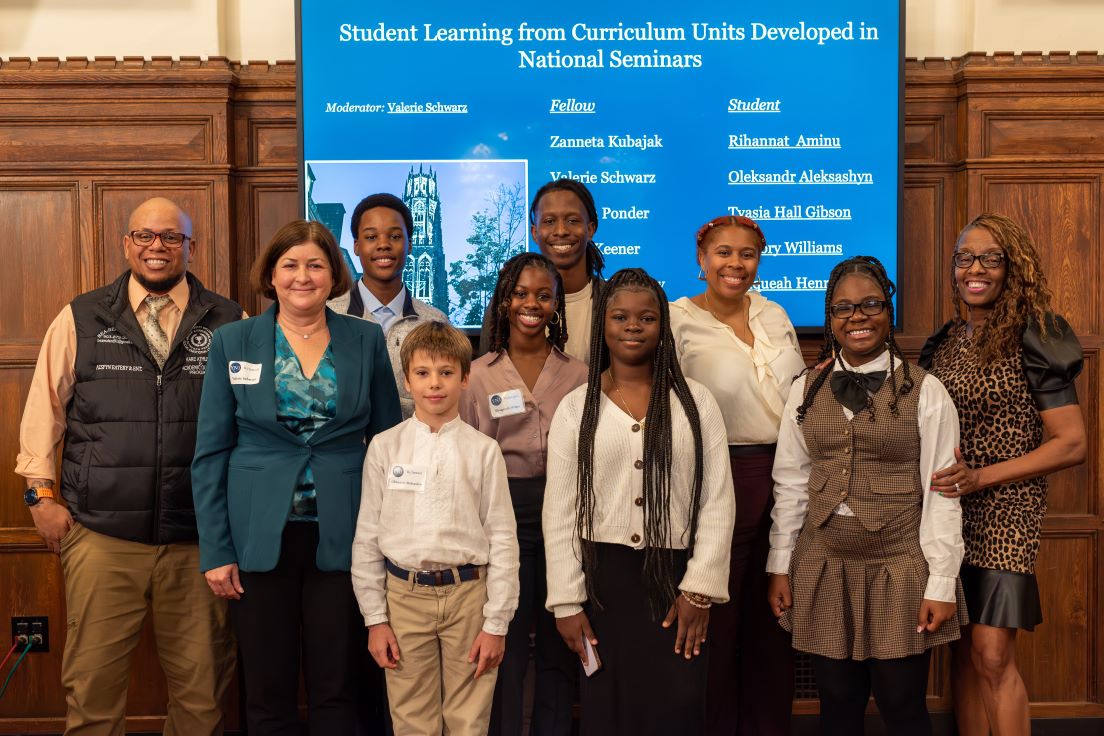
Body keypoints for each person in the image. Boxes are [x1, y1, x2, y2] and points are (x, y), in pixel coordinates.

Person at [14, 197, 241, 735]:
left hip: (200, 543)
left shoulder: (232, 320)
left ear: (190, 246)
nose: (156, 247)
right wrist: (38, 498)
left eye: (170, 237)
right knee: (92, 688)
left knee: (203, 694)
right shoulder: (81, 316)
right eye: (144, 236)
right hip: (101, 537)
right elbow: (43, 409)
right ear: (126, 243)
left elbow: (250, 425)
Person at [191, 219, 402, 735]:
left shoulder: (366, 339)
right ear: (271, 273)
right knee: (266, 690)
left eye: (315, 265)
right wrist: (217, 551)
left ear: (334, 275)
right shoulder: (233, 341)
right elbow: (210, 454)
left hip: (345, 534)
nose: (302, 276)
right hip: (258, 537)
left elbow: (390, 445)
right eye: (290, 265)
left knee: (338, 687)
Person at [766, 256, 966, 736]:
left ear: (888, 311)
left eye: (870, 304)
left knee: (902, 703)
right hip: (824, 562)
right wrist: (779, 564)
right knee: (837, 703)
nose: (857, 317)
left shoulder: (927, 390)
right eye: (843, 308)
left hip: (898, 564)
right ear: (830, 318)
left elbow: (942, 493)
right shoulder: (805, 390)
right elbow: (791, 481)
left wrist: (940, 582)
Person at [543, 268, 736, 734]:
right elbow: (560, 511)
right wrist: (567, 601)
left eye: (647, 317)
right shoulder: (576, 407)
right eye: (621, 316)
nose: (633, 326)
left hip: (675, 582)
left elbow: (717, 500)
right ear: (602, 325)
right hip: (604, 584)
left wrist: (699, 589)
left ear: (662, 325)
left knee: (680, 702)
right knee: (609, 707)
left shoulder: (696, 403)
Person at [919, 214, 1086, 736]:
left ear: (1013, 267)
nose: (975, 269)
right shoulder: (944, 342)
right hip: (946, 514)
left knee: (992, 656)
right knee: (963, 657)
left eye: (991, 258)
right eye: (965, 258)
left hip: (1005, 516)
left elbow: (1072, 442)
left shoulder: (1037, 333)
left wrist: (982, 478)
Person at [669, 215, 806, 735]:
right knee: (717, 624)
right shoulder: (677, 319)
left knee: (776, 620)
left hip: (789, 477)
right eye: (723, 253)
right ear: (701, 259)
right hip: (718, 475)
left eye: (747, 254)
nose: (735, 264)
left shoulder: (774, 312)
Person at [352, 321, 521, 736]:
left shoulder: (483, 451)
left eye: (446, 373)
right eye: (423, 374)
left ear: (465, 378)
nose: (435, 384)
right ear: (407, 381)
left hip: (469, 597)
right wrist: (375, 618)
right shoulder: (385, 446)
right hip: (404, 598)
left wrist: (495, 623)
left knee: (469, 722)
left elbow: (502, 538)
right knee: (412, 720)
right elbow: (368, 538)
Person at [461, 252, 589, 736]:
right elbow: (469, 458)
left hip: (564, 515)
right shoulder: (478, 374)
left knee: (560, 634)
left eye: (543, 295)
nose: (531, 303)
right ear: (504, 301)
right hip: (502, 515)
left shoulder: (578, 374)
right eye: (520, 294)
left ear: (556, 305)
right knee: (506, 638)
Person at [329, 192, 448, 418]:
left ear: (410, 244)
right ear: (356, 246)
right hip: (348, 451)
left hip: (414, 450)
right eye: (371, 237)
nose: (383, 245)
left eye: (394, 237)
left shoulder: (435, 322)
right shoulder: (329, 315)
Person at [479, 178, 604, 362]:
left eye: (572, 220)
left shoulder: (610, 301)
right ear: (535, 233)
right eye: (549, 221)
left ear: (590, 229)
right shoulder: (508, 302)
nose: (561, 230)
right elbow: (486, 376)